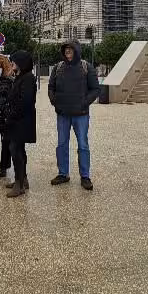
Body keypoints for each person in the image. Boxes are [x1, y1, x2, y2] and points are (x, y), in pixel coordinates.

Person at [48, 39, 100, 191]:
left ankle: (85, 176)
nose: (68, 52)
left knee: (83, 145)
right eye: (66, 50)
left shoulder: (86, 67)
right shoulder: (58, 68)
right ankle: (63, 173)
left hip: (81, 114)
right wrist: (54, 100)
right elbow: (51, 86)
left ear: (76, 51)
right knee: (62, 144)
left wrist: (85, 102)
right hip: (63, 113)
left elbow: (96, 89)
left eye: (71, 50)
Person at [5, 51, 36, 198]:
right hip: (17, 120)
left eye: (14, 62)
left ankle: (19, 184)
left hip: (21, 121)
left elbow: (25, 101)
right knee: (18, 150)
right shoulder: (20, 77)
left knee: (16, 150)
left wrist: (11, 115)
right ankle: (23, 179)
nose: (12, 64)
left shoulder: (28, 79)